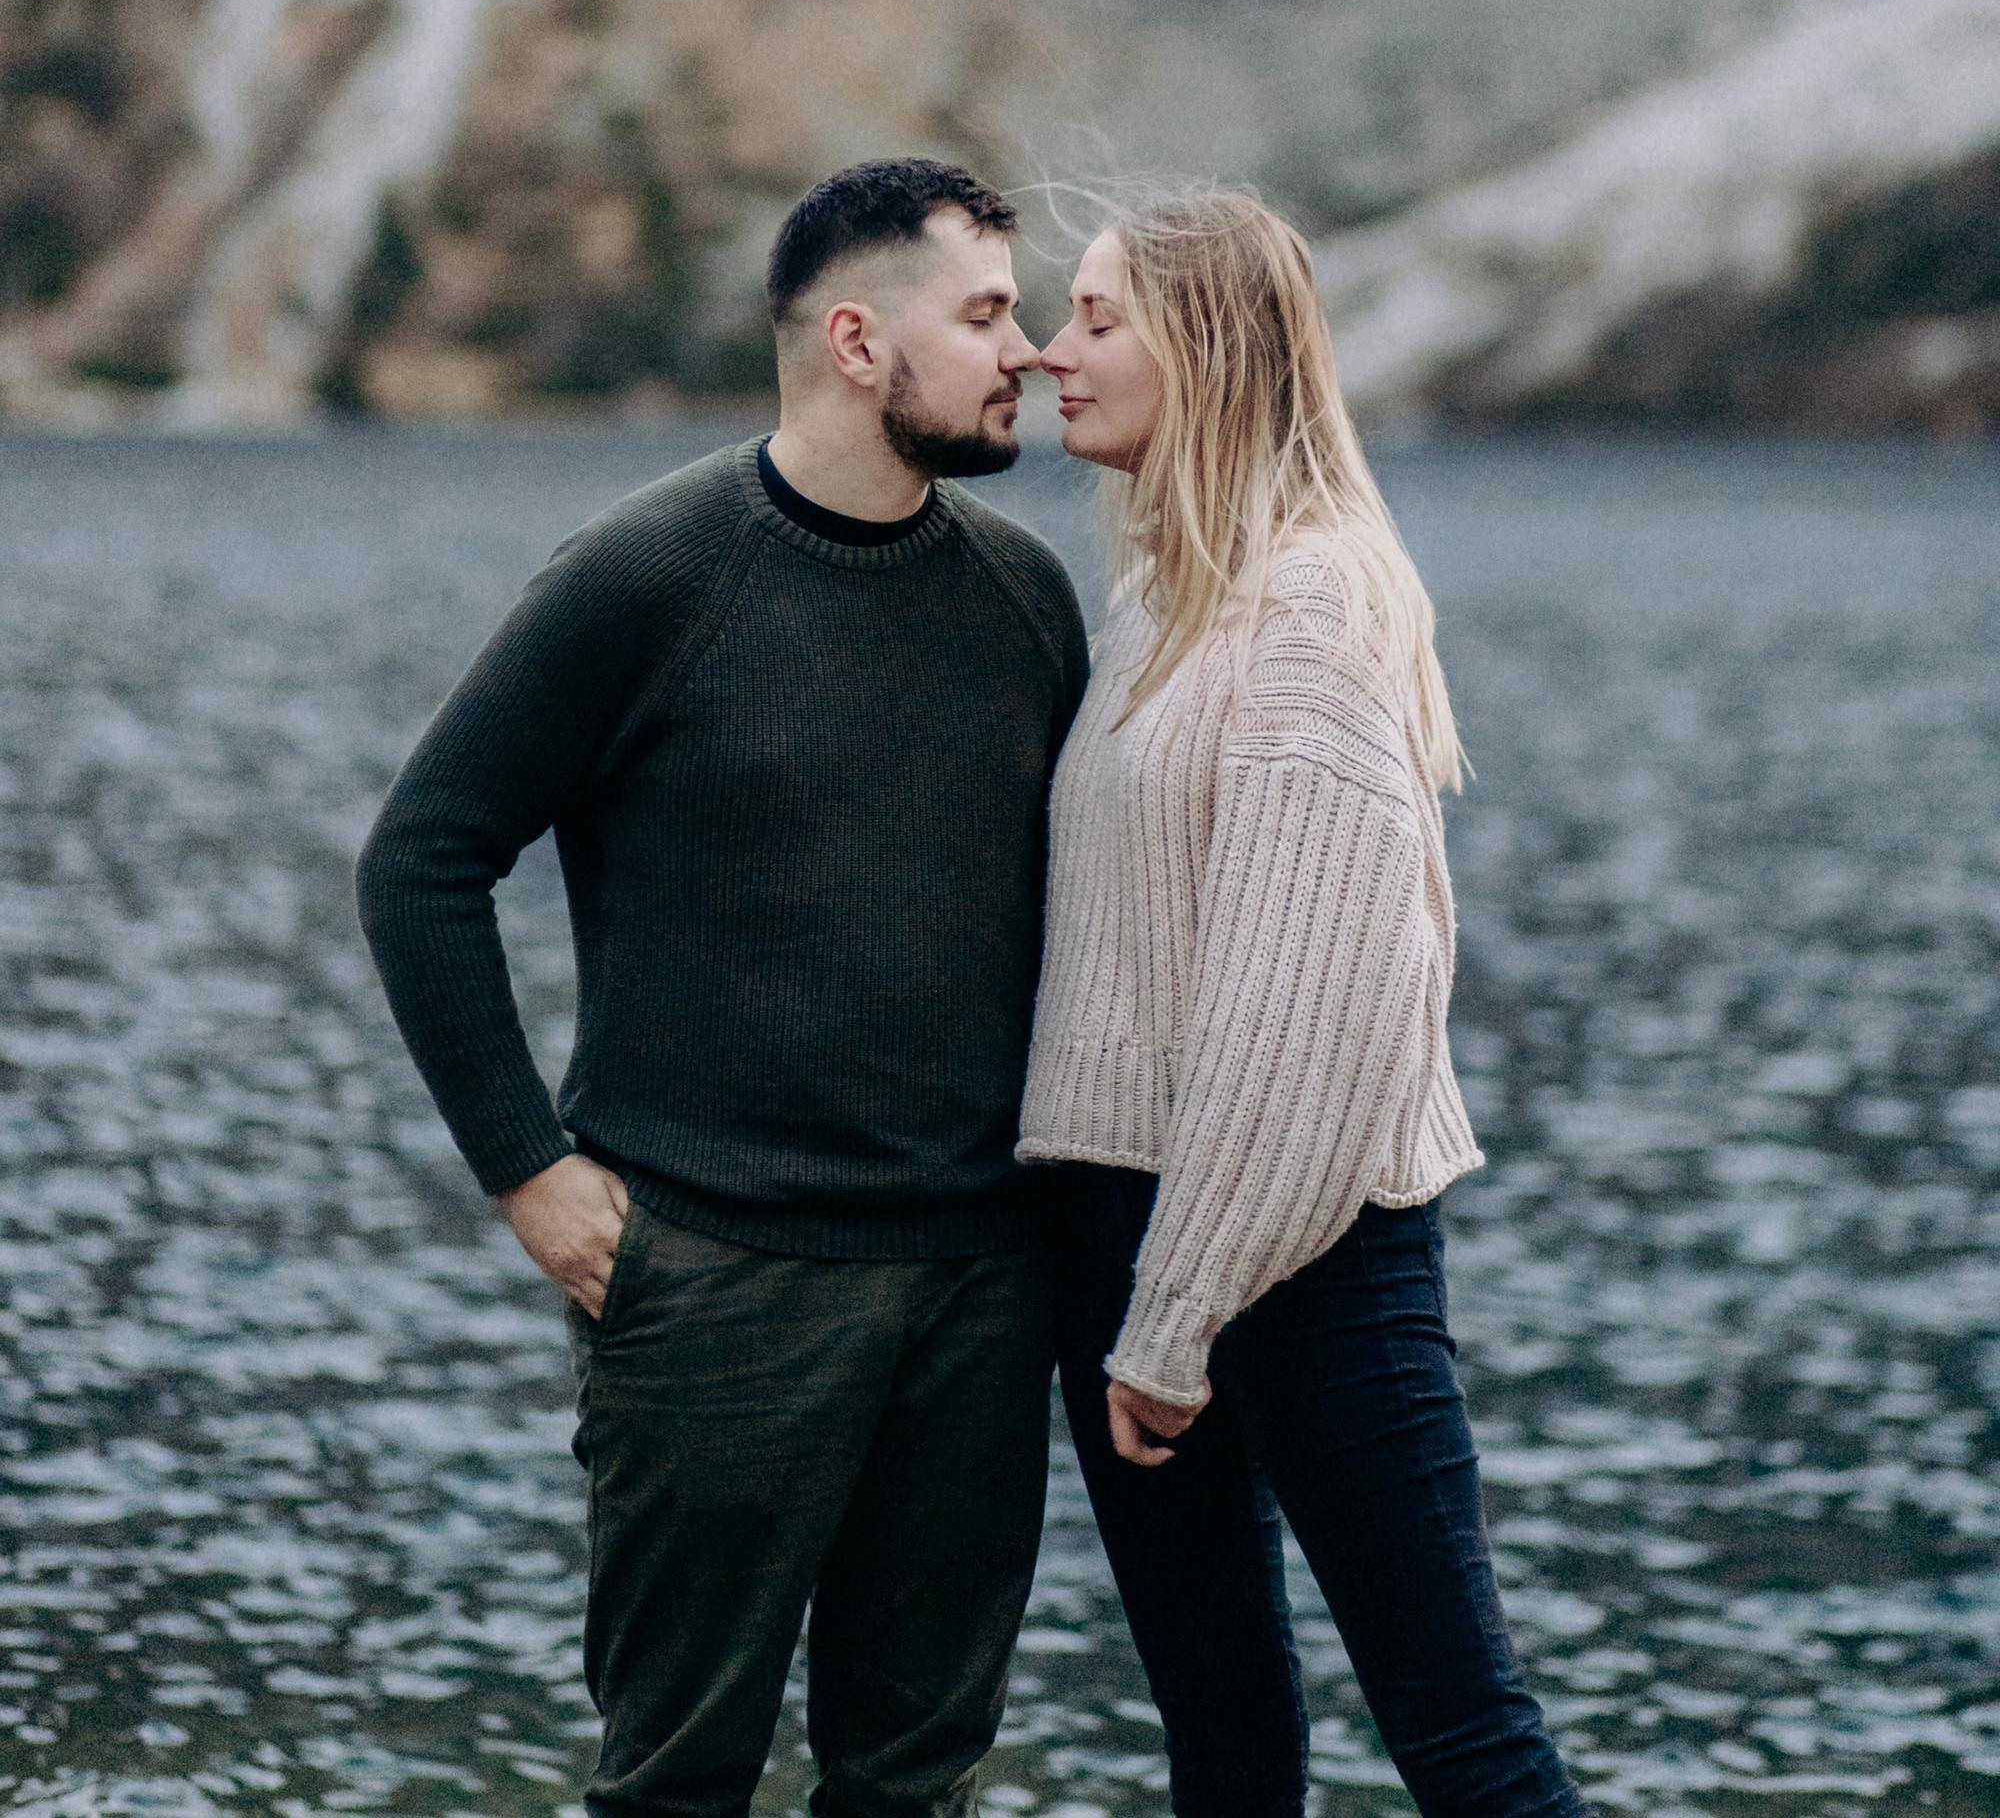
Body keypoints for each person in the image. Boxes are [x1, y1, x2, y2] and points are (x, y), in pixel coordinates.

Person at [356, 158, 1090, 1818]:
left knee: (916, 1786)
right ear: (854, 340)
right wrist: (528, 1172)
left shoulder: (1026, 601)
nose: (1028, 352)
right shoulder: (649, 575)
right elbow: (420, 859)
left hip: (977, 1291)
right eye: (984, 315)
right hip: (717, 1286)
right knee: (676, 1783)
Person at [1022, 187, 1589, 1818]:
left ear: (1204, 350)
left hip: (1305, 1254)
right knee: (1225, 1741)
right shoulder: (1161, 597)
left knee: (1465, 1737)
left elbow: (1310, 1008)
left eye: (1100, 318)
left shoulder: (1315, 601)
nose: (1058, 352)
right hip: (1125, 1241)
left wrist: (1177, 1318)